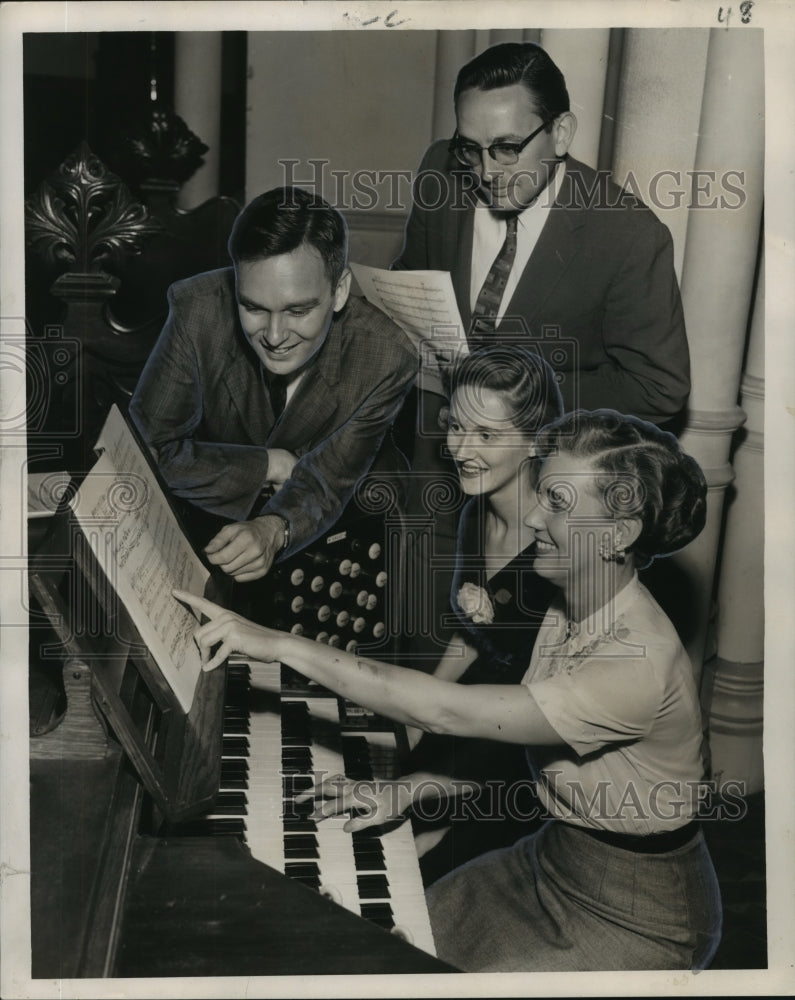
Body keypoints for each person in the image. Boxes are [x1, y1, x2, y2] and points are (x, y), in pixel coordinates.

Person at [175, 409, 722, 972]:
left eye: (557, 503)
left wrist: (277, 644)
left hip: (641, 911)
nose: (532, 517)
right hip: (552, 856)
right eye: (541, 493)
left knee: (400, 970)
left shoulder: (636, 665)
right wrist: (411, 789)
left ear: (617, 535)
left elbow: (444, 712)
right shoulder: (566, 599)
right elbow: (544, 756)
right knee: (385, 948)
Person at [392, 39, 691, 661]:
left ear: (561, 132)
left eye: (506, 148)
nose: (485, 170)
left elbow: (658, 386)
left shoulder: (627, 235)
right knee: (417, 648)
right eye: (469, 148)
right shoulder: (438, 172)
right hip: (431, 470)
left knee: (496, 687)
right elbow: (413, 276)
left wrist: (520, 402)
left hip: (537, 510)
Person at [130, 186, 417, 582]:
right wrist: (267, 465)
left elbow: (329, 480)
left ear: (340, 291)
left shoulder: (387, 357)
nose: (275, 335)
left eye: (298, 310)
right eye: (253, 308)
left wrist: (274, 527)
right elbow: (145, 454)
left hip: (353, 535)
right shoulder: (198, 310)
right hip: (213, 528)